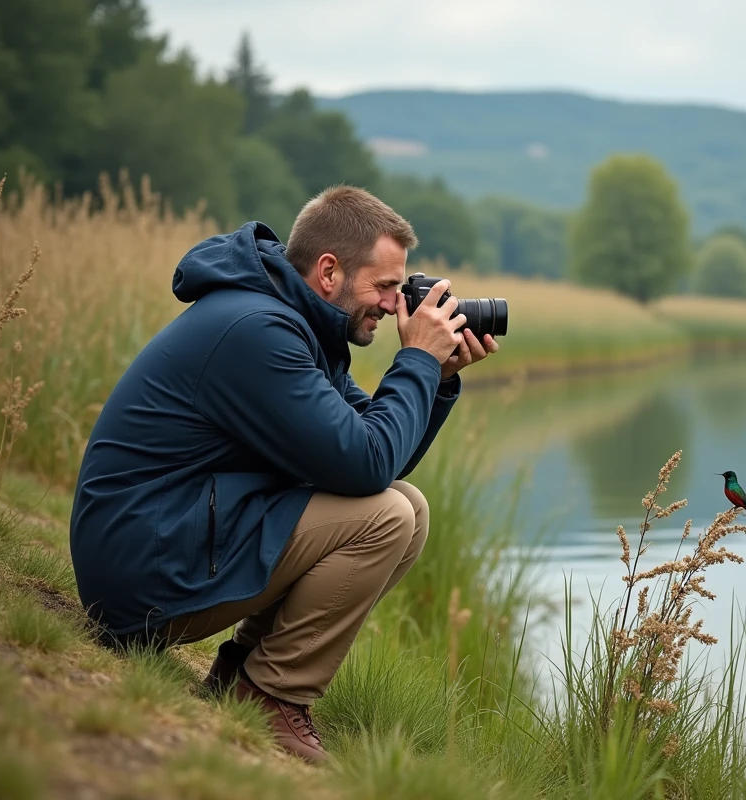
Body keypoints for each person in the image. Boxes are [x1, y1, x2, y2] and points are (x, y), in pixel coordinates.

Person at [69, 185, 498, 763]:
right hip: (138, 571)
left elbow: (376, 456)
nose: (397, 305)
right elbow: (367, 464)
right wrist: (416, 360)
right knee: (387, 515)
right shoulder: (258, 332)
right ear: (328, 271)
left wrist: (438, 380)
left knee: (407, 507)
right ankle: (272, 696)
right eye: (386, 286)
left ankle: (241, 672)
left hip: (166, 538)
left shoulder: (292, 323)